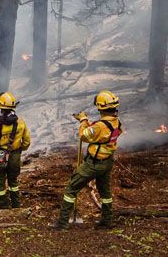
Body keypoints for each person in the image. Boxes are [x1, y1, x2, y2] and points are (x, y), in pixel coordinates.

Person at [52, 90, 123, 229]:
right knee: (105, 192)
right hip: (107, 161)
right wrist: (91, 125)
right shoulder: (116, 122)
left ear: (100, 107)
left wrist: (83, 121)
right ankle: (107, 220)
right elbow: (101, 134)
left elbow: (84, 136)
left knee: (72, 188)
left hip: (94, 163)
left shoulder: (100, 126)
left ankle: (62, 223)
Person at [0, 92, 31, 209]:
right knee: (13, 181)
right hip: (14, 154)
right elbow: (27, 141)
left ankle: (3, 206)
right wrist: (20, 150)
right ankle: (15, 204)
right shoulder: (20, 122)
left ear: (0, 107)